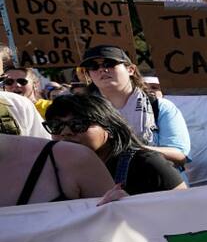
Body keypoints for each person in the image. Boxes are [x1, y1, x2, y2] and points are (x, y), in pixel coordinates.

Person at [44, 94, 185, 196]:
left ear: (109, 129)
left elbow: (188, 210)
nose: (66, 132)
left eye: (78, 124)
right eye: (56, 126)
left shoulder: (146, 163)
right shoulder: (48, 171)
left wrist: (128, 208)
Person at [78, 45, 190, 168]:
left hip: (159, 182)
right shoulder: (81, 112)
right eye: (93, 66)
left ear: (130, 69)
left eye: (109, 63)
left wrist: (132, 149)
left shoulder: (159, 106)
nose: (102, 70)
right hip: (107, 183)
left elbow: (179, 155)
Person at [0, 134, 115, 207]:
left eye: (77, 125)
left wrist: (122, 207)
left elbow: (117, 230)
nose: (66, 132)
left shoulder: (72, 158)